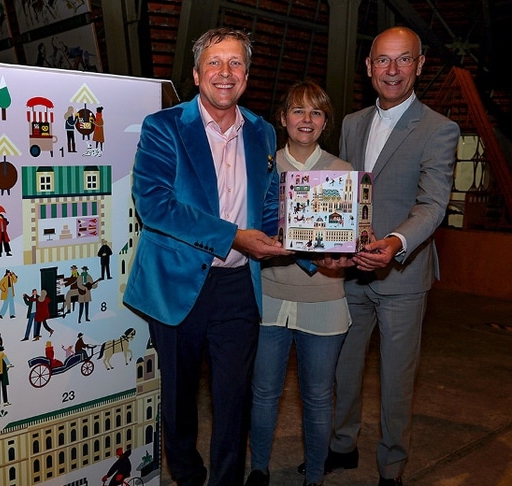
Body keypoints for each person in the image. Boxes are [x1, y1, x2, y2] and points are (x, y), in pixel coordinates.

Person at [123, 27, 290, 486]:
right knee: (178, 402)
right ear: (197, 74)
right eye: (215, 63)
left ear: (247, 76)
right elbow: (155, 204)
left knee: (233, 400)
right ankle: (188, 476)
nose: (225, 72)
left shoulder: (261, 132)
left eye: (236, 63)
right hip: (178, 285)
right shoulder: (165, 127)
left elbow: (270, 204)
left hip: (239, 287)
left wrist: (315, 247)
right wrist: (234, 236)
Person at [306, 27, 460, 486]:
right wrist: (330, 246)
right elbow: (345, 197)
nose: (392, 71)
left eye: (404, 60)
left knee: (396, 381)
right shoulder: (352, 124)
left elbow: (433, 204)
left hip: (403, 277)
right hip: (352, 274)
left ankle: (392, 467)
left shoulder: (439, 129)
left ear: (420, 65)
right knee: (343, 369)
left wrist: (394, 244)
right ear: (369, 67)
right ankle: (342, 446)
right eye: (383, 61)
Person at [245, 81, 352, 486]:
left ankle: (316, 477)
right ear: (283, 118)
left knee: (319, 397)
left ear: (325, 122)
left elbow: (351, 238)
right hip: (269, 295)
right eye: (298, 111)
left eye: (316, 113)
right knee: (264, 393)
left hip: (324, 299)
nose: (306, 120)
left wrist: (348, 248)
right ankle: (258, 469)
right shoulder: (262, 167)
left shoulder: (343, 174)